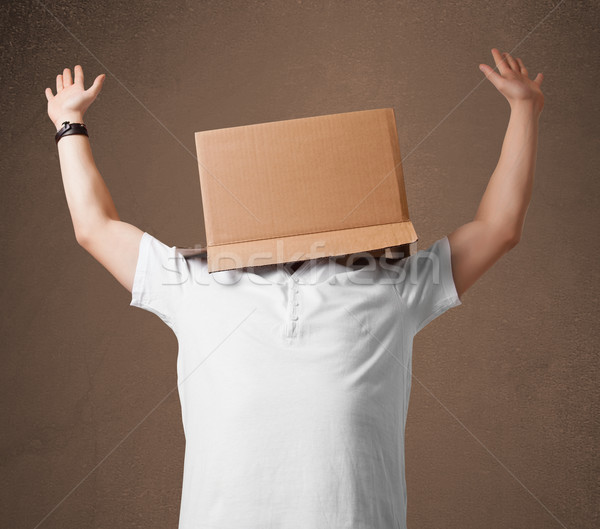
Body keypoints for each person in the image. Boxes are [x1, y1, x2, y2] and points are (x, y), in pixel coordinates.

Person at [45, 48, 544, 529]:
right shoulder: (194, 281)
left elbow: (498, 228)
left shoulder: (391, 284)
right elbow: (95, 228)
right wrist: (70, 124)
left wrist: (524, 108)